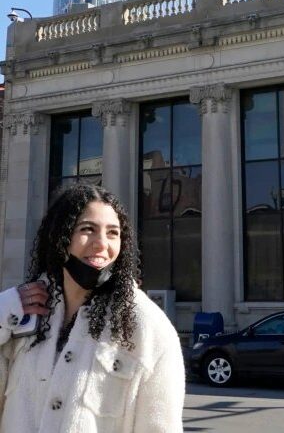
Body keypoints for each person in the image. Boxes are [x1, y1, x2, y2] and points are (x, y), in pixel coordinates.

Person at [0, 184, 185, 432]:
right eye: (88, 229)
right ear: (60, 237)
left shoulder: (147, 326)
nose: (101, 244)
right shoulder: (22, 312)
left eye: (113, 233)